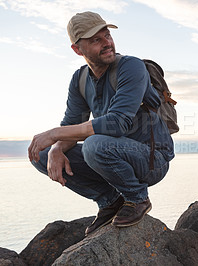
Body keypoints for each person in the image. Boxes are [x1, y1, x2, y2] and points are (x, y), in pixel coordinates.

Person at [28, 11, 174, 235]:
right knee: (43, 154)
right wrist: (56, 147)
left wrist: (55, 133)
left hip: (152, 158)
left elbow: (117, 124)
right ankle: (109, 202)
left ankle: (138, 199)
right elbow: (72, 124)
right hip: (111, 155)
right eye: (96, 40)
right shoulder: (80, 79)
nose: (107, 43)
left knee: (94, 145)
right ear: (77, 49)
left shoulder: (132, 67)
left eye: (107, 35)